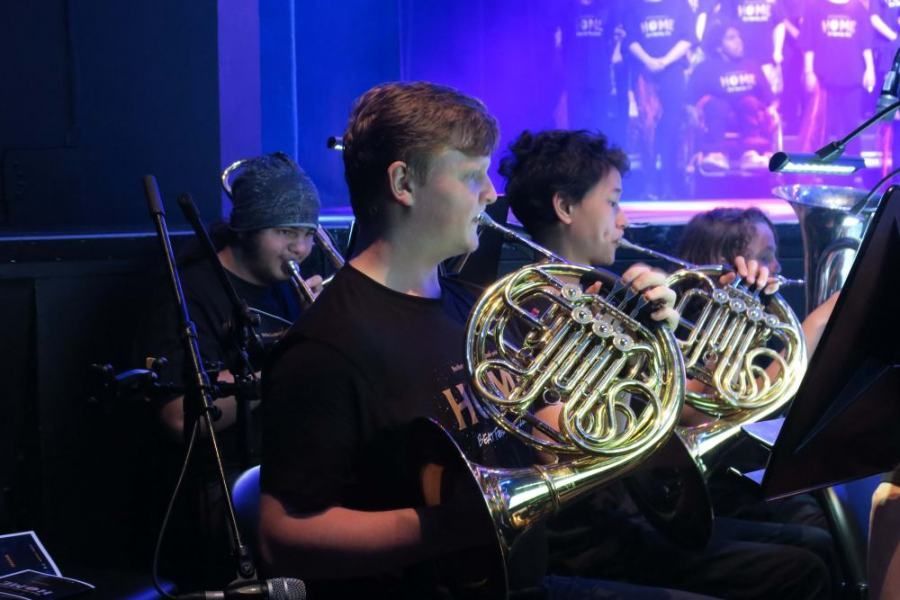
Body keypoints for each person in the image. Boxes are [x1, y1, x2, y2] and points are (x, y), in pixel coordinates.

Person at [258, 81, 715, 600]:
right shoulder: (328, 345)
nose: (492, 194)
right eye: (473, 175)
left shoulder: (476, 307)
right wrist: (447, 526)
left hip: (525, 580)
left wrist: (646, 336)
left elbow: (539, 431)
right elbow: (282, 535)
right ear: (404, 183)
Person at [499, 128, 834, 599]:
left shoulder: (606, 294)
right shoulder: (528, 313)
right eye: (613, 202)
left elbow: (696, 412)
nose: (625, 219)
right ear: (566, 208)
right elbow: (564, 443)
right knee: (802, 568)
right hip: (591, 533)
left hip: (631, 515)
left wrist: (735, 306)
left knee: (819, 546)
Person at [134, 151, 321, 590]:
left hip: (286, 475)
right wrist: (287, 366)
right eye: (285, 231)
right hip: (217, 497)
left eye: (308, 233)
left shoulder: (289, 289)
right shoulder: (188, 291)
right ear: (248, 230)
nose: (301, 248)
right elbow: (179, 416)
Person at [624, 0, 694, 199]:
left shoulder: (680, 5)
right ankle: (650, 182)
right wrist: (649, 61)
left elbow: (687, 38)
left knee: (671, 127)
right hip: (644, 75)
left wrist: (665, 61)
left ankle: (670, 182)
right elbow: (631, 40)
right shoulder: (634, 7)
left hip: (673, 73)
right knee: (648, 129)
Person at [689, 20, 780, 172]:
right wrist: (692, 113)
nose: (739, 42)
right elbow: (690, 100)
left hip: (748, 118)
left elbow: (769, 99)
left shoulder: (752, 66)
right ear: (719, 47)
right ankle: (716, 154)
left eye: (739, 37)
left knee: (749, 102)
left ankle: (750, 154)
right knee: (716, 104)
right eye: (731, 38)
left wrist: (773, 110)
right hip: (716, 120)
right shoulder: (705, 69)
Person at [799, 0, 876, 155]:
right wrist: (808, 71)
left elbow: (865, 43)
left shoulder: (858, 8)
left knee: (852, 126)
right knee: (824, 127)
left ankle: (854, 167)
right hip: (824, 79)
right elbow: (808, 43)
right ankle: (820, 167)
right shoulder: (814, 7)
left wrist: (870, 69)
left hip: (852, 77)